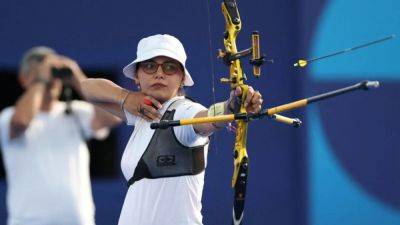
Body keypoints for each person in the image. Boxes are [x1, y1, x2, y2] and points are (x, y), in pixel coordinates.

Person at [81, 34, 263, 225]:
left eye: (169, 67)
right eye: (150, 66)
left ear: (182, 78)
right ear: (137, 76)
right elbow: (85, 88)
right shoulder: (142, 114)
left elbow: (207, 118)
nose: (159, 74)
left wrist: (232, 106)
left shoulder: (182, 112)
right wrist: (127, 98)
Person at [0, 47, 121, 225]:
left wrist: (76, 77)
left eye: (53, 74)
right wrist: (41, 81)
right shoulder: (8, 116)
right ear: (24, 79)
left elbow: (113, 118)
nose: (51, 79)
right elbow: (21, 122)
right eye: (40, 73)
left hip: (77, 221)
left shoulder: (75, 112)